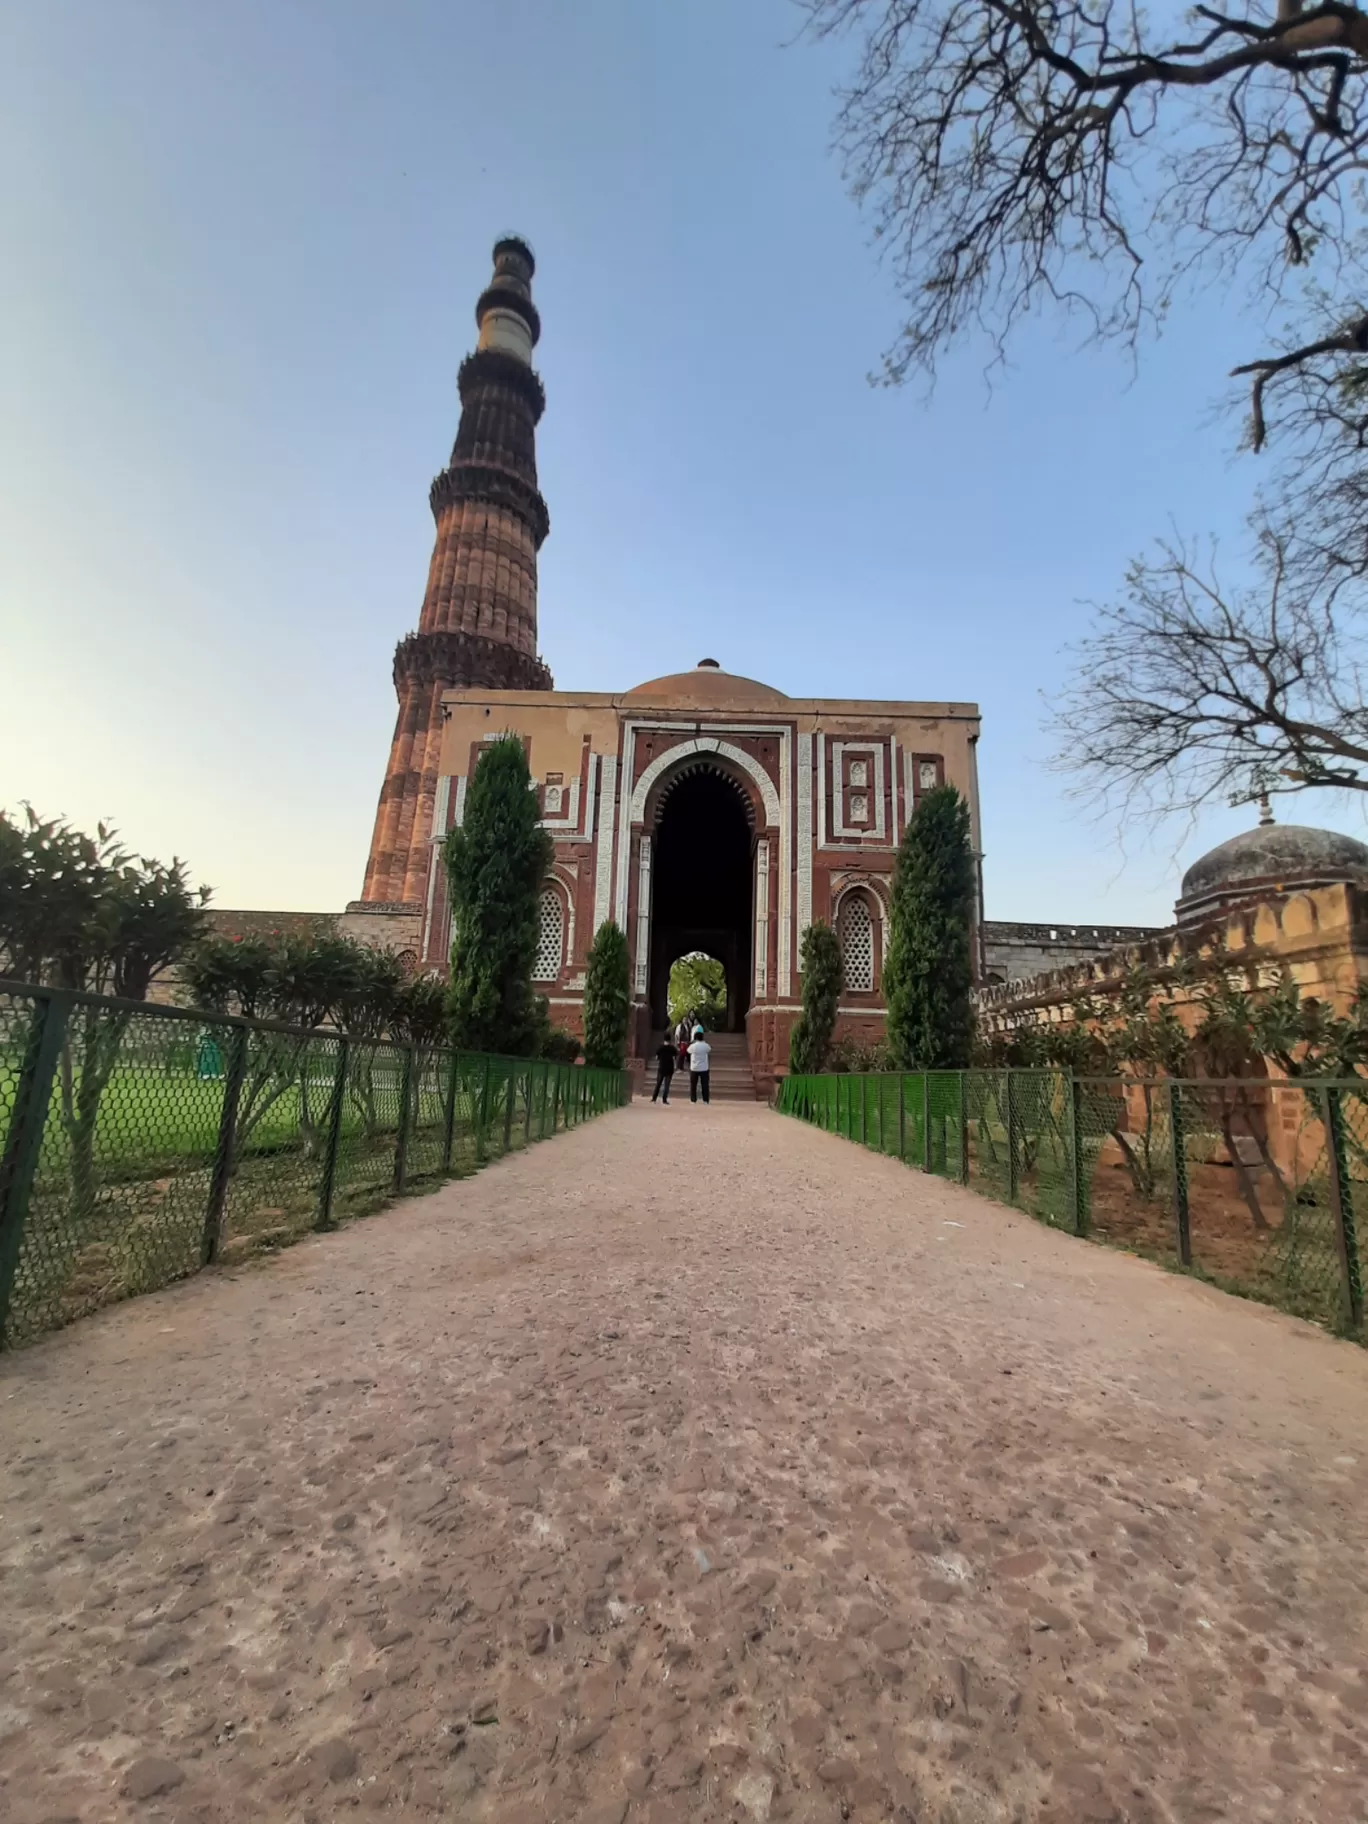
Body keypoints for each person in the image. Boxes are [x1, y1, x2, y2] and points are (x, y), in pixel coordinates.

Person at [688, 1029, 711, 1104]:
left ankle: (693, 1099)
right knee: (704, 1085)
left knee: (693, 1085)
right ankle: (705, 1100)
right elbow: (709, 1049)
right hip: (704, 1068)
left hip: (694, 1068)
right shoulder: (706, 1046)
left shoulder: (693, 1046)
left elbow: (688, 1051)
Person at [651, 1032, 676, 1104]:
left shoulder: (660, 1048)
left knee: (658, 1083)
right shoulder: (672, 1048)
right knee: (666, 1085)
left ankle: (654, 1098)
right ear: (670, 1040)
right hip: (669, 1068)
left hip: (661, 1067)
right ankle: (664, 1099)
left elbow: (657, 1057)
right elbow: (674, 1057)